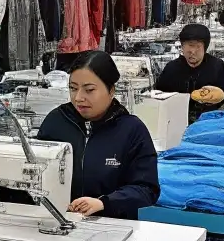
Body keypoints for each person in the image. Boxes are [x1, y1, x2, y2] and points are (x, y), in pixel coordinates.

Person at [36, 51, 159, 219]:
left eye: (89, 90)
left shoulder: (131, 130)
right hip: (56, 223)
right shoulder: (56, 122)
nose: (78, 97)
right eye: (73, 89)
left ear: (111, 90)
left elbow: (146, 189)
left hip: (112, 228)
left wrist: (104, 203)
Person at [155, 22, 224, 122]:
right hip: (176, 120)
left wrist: (211, 101)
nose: (193, 52)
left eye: (198, 47)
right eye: (189, 47)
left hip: (207, 120)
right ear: (182, 47)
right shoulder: (171, 68)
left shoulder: (216, 66)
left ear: (205, 48)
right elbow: (159, 94)